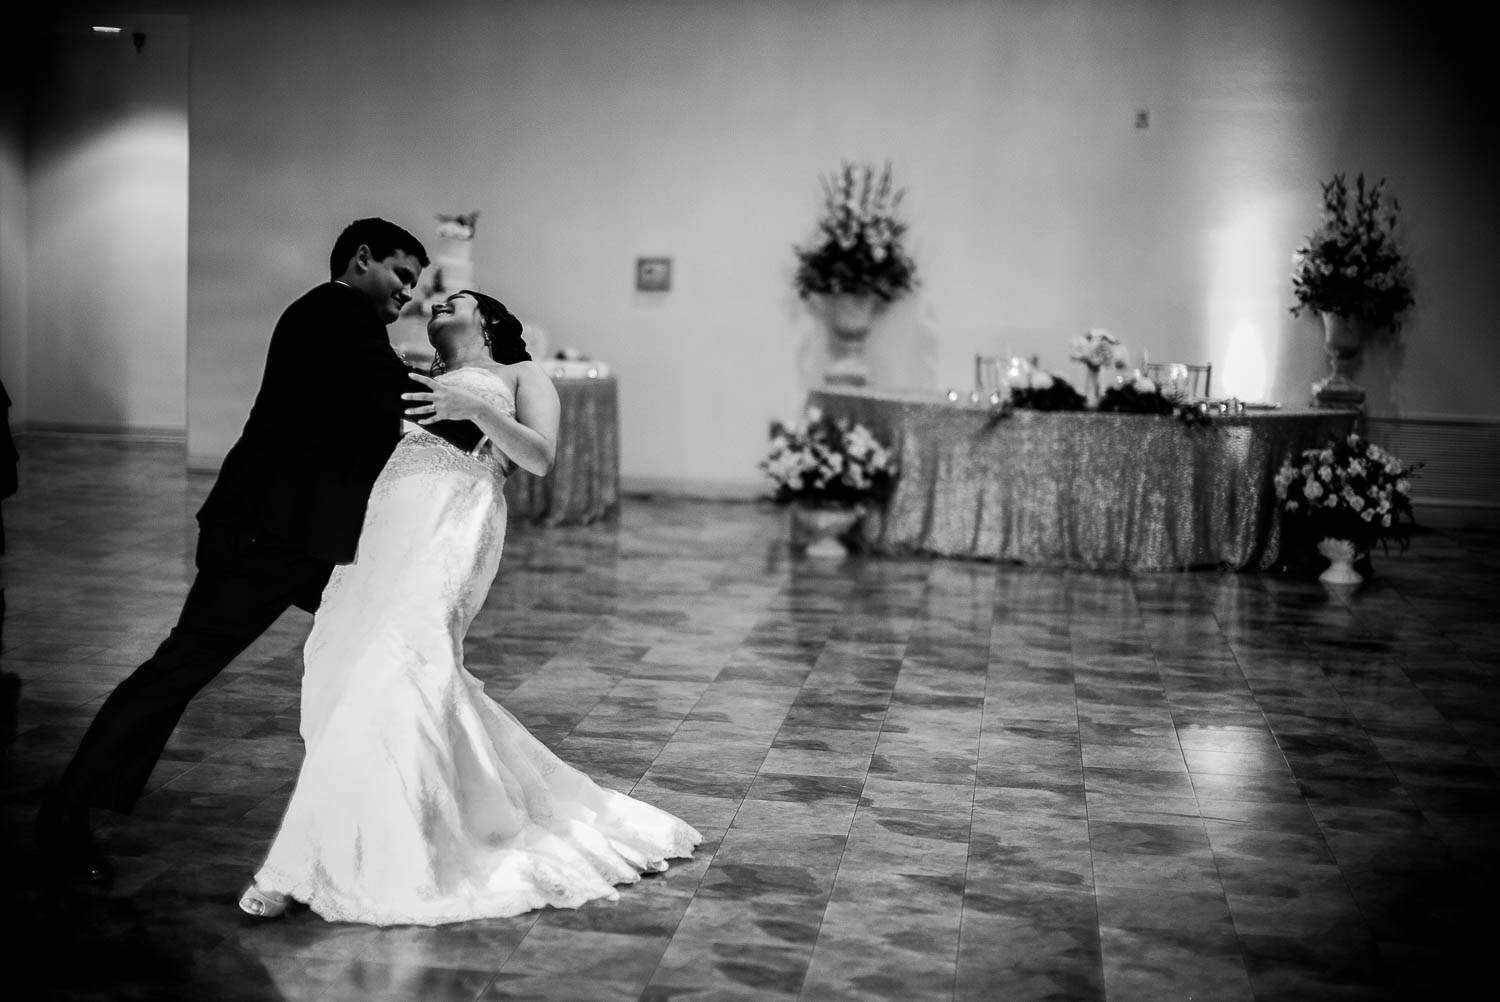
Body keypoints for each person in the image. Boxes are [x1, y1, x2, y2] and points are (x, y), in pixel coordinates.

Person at [35, 218, 482, 883]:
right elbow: (403, 396)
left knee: (381, 643)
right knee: (179, 669)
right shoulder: (336, 313)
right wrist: (491, 432)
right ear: (362, 259)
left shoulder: (338, 322)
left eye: (415, 284)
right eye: (401, 276)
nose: (408, 295)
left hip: (300, 536)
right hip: (265, 536)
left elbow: (377, 410)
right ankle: (64, 813)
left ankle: (391, 812)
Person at [238, 291, 699, 924]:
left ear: (487, 321)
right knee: (348, 667)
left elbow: (539, 457)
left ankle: (298, 865)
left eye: (450, 301)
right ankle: (408, 816)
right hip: (380, 530)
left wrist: (474, 406)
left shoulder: (521, 375)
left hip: (455, 524)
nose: (433, 307)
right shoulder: (415, 378)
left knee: (406, 662)